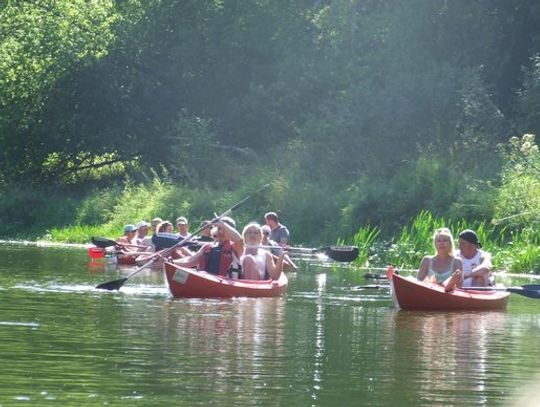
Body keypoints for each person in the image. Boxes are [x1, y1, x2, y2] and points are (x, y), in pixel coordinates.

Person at [172, 217, 243, 277]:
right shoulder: (207, 246)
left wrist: (223, 225)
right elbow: (190, 261)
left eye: (223, 229)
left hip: (224, 283)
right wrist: (171, 262)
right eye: (218, 228)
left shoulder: (235, 247)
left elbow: (239, 240)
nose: (220, 232)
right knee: (179, 276)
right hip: (205, 279)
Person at [417, 227, 463, 292]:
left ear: (450, 243)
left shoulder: (457, 261)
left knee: (455, 277)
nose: (442, 243)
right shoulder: (427, 260)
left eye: (445, 240)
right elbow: (418, 282)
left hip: (449, 295)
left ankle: (447, 285)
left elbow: (459, 286)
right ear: (435, 243)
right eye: (438, 241)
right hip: (429, 293)